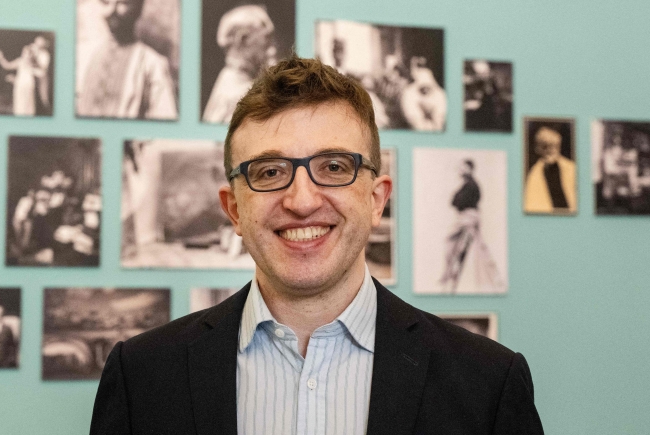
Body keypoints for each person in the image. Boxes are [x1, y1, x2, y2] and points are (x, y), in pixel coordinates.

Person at [90, 56, 543, 435]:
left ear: (376, 199)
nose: (302, 201)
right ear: (234, 211)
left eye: (333, 166)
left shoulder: (488, 384)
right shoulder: (143, 377)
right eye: (269, 172)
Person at [77, 0, 177, 119]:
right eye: (106, 3)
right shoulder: (84, 53)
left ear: (137, 10)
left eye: (122, 3)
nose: (112, 11)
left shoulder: (152, 62)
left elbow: (164, 115)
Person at [202, 5, 277, 124]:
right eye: (266, 39)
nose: (272, 50)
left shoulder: (227, 79)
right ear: (243, 39)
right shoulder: (242, 94)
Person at [441, 160, 505, 293]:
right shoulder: (465, 185)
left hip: (468, 218)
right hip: (466, 218)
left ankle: (453, 277)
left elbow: (460, 201)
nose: (461, 170)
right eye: (460, 168)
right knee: (459, 247)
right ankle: (451, 277)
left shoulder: (471, 185)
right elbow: (453, 201)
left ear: (469, 169)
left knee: (463, 247)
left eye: (464, 168)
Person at [524, 126, 577, 213]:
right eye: (545, 146)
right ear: (538, 149)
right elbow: (531, 206)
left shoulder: (571, 168)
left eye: (554, 146)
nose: (550, 151)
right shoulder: (534, 174)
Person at [0, 35, 51, 116]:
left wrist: (35, 66)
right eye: (23, 52)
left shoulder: (36, 62)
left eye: (27, 53)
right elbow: (7, 66)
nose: (25, 55)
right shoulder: (20, 61)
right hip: (20, 86)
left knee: (29, 106)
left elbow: (41, 73)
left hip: (28, 87)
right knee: (19, 106)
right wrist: (0, 57)